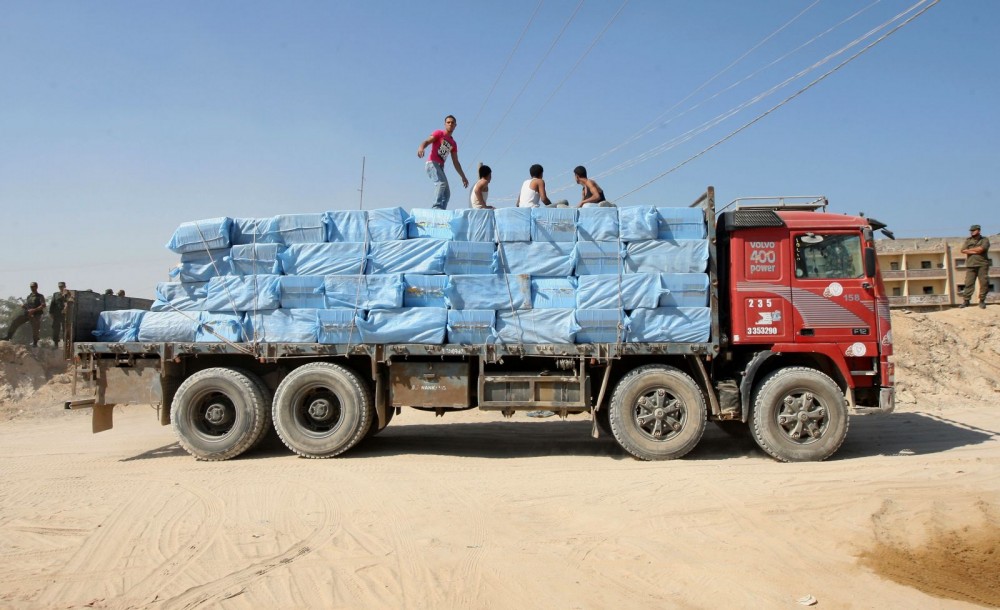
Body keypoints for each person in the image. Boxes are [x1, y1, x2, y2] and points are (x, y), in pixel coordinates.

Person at [417, 115, 469, 209]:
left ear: (455, 125)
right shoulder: (439, 133)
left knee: (447, 193)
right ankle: (436, 208)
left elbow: (456, 161)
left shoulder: (453, 143)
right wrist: (421, 147)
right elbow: (427, 141)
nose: (450, 124)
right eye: (448, 122)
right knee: (441, 184)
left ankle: (442, 212)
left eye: (452, 123)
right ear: (445, 124)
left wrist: (463, 176)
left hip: (440, 167)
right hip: (432, 164)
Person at [5, 282, 46, 346]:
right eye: (31, 287)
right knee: (16, 321)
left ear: (36, 287)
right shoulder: (29, 296)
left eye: (34, 286)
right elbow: (28, 305)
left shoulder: (40, 296)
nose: (32, 288)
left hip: (36, 314)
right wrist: (24, 306)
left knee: (35, 327)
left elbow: (43, 305)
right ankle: (8, 337)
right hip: (28, 313)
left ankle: (35, 342)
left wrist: (34, 310)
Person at [960, 224, 991, 309]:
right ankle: (966, 301)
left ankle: (982, 301)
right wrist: (976, 251)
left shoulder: (984, 240)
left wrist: (970, 250)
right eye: (971, 231)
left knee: (984, 283)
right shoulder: (968, 240)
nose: (972, 232)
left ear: (979, 230)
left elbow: (982, 249)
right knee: (968, 283)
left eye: (974, 230)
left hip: (982, 264)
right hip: (971, 265)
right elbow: (963, 250)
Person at [49, 282, 69, 346]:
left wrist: (65, 294)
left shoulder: (68, 293)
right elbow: (52, 304)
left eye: (62, 286)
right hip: (57, 314)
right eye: (60, 287)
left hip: (65, 315)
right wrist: (51, 312)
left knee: (65, 329)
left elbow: (70, 302)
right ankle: (56, 343)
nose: (61, 288)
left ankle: (65, 343)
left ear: (65, 286)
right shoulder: (55, 294)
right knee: (55, 329)